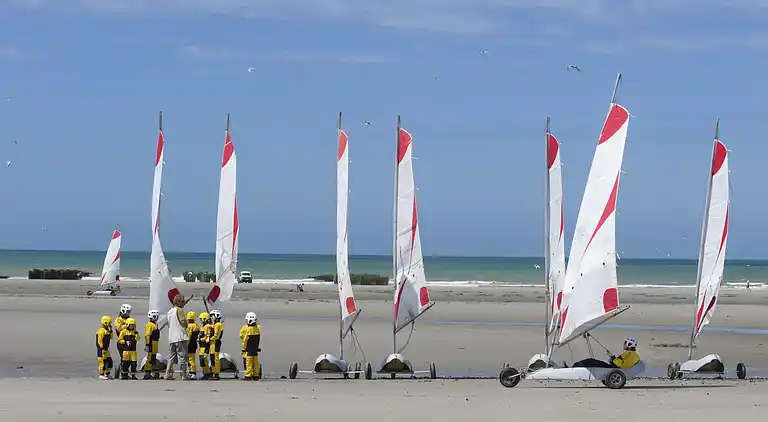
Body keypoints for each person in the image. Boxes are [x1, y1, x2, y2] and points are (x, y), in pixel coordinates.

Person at [164, 294, 189, 380]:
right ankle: (184, 375)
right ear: (178, 302)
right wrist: (187, 323)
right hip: (180, 336)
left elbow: (168, 324)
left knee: (171, 357)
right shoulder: (180, 310)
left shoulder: (169, 311)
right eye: (182, 301)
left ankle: (167, 373)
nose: (183, 303)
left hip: (171, 337)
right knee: (183, 357)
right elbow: (182, 322)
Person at [572, 337, 641, 369]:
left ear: (629, 345)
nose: (624, 345)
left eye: (625, 343)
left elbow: (618, 364)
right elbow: (624, 363)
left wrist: (612, 358)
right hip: (617, 368)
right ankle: (576, 366)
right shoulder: (636, 356)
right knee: (593, 361)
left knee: (591, 361)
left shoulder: (627, 353)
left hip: (612, 368)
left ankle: (575, 366)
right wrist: (613, 357)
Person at [240, 312, 261, 380]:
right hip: (255, 348)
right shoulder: (257, 328)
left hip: (248, 349)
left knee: (248, 363)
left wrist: (243, 348)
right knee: (255, 363)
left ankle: (248, 375)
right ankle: (256, 375)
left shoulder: (248, 329)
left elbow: (245, 339)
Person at [113, 304, 132, 378]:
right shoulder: (118, 319)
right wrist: (127, 325)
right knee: (124, 357)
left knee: (130, 359)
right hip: (121, 341)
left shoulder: (129, 319)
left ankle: (125, 372)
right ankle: (122, 372)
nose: (128, 313)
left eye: (129, 312)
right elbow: (119, 328)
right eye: (127, 312)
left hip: (129, 341)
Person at [143, 310, 161, 380]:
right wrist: (147, 344)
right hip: (151, 343)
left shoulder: (155, 324)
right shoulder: (149, 325)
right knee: (150, 359)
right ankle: (147, 373)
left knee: (153, 358)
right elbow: (147, 335)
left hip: (155, 344)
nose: (156, 318)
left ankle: (153, 371)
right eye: (154, 316)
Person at [96, 315, 114, 380]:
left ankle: (107, 373)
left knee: (109, 361)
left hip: (106, 349)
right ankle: (101, 374)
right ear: (105, 322)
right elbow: (99, 341)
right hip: (102, 349)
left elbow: (111, 337)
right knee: (102, 362)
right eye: (109, 323)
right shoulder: (101, 331)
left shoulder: (107, 331)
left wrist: (111, 330)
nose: (109, 324)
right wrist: (102, 348)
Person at [209, 309, 224, 380]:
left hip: (215, 343)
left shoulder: (218, 325)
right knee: (212, 358)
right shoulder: (214, 324)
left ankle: (216, 373)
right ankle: (214, 372)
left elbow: (216, 335)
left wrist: (210, 339)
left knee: (215, 358)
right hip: (213, 343)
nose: (211, 317)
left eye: (212, 316)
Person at [198, 312, 213, 380]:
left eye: (201, 319)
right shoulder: (204, 327)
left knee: (203, 360)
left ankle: (208, 373)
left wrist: (201, 339)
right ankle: (206, 372)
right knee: (202, 360)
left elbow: (207, 337)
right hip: (201, 346)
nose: (200, 320)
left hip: (205, 346)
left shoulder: (207, 326)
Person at [186, 311, 200, 379]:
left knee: (190, 359)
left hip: (190, 345)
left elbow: (189, 335)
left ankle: (192, 373)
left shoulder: (189, 326)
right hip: (194, 344)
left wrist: (186, 344)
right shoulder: (196, 326)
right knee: (192, 358)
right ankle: (192, 372)